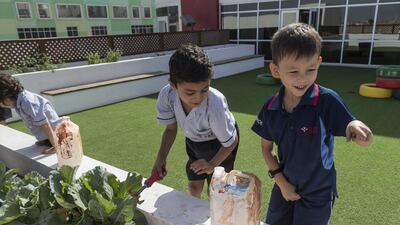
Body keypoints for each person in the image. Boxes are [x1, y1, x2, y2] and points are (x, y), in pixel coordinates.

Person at [251, 23, 373, 225]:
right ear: (275, 70)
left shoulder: (326, 100)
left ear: (319, 62)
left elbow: (352, 124)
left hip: (318, 193)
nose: (303, 78)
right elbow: (266, 149)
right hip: (284, 187)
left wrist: (358, 129)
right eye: (293, 72)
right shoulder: (271, 108)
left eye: (311, 69)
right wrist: (282, 184)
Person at [152, 44, 239, 198]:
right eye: (190, 92)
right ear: (173, 85)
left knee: (216, 188)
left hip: (221, 142)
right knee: (193, 185)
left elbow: (231, 142)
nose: (198, 98)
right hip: (194, 141)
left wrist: (212, 164)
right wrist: (160, 159)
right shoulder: (167, 96)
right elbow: (171, 130)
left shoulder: (215, 104)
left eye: (204, 89)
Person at [0, 74, 61, 154]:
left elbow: (45, 125)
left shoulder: (27, 103)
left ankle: (54, 144)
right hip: (47, 135)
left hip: (56, 135)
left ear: (7, 97)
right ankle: (45, 140)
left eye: (1, 101)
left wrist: (56, 146)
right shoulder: (20, 101)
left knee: (47, 131)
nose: (1, 105)